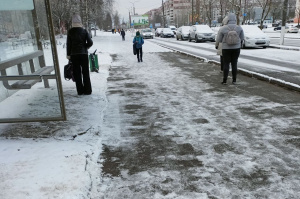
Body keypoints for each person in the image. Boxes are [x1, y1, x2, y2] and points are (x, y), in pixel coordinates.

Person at [67, 14, 93, 95]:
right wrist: (85, 47)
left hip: (74, 55)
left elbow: (69, 44)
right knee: (85, 72)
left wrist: (68, 55)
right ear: (80, 21)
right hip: (83, 54)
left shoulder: (70, 31)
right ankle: (88, 90)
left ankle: (80, 91)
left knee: (77, 73)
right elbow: (90, 42)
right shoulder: (84, 31)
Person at [217, 13, 244, 85]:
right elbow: (242, 38)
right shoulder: (239, 28)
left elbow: (219, 40)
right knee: (234, 64)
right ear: (235, 19)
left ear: (228, 19)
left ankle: (225, 80)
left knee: (226, 64)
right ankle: (234, 80)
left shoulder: (223, 28)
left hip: (226, 49)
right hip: (236, 48)